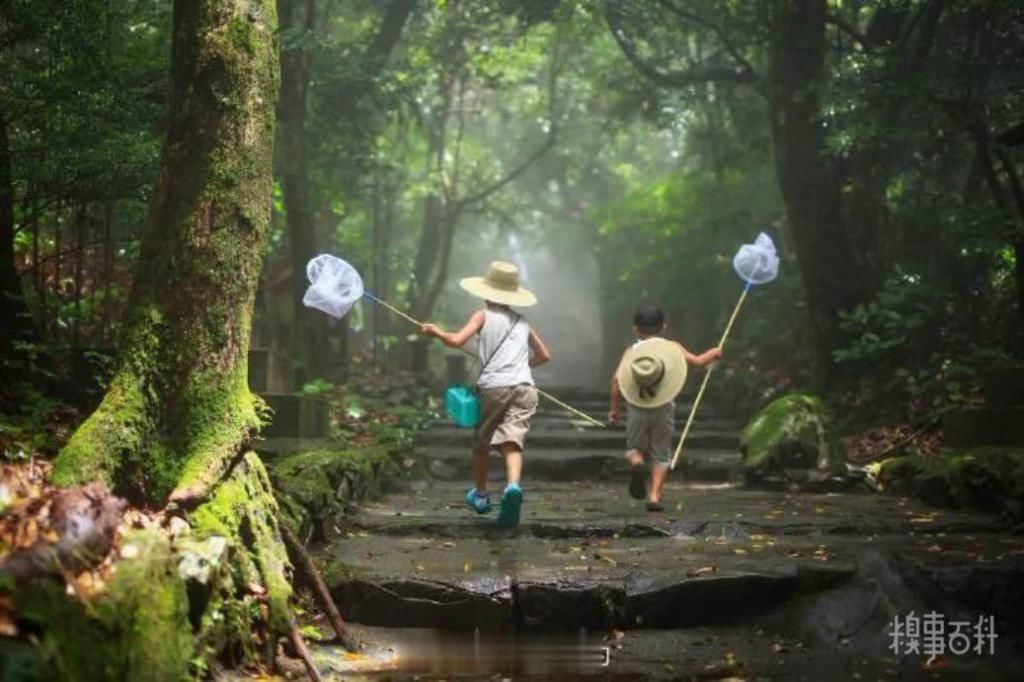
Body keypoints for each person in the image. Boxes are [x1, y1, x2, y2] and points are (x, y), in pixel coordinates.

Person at [422, 260, 551, 528]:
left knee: (482, 443)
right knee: (512, 441)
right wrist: (519, 367)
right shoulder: (522, 321)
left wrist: (435, 332)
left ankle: (481, 495)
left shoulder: (482, 315)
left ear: (486, 291)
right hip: (525, 388)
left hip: (495, 387)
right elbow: (544, 355)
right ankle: (513, 486)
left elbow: (457, 340)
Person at [608, 304, 721, 511]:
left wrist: (615, 410)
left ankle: (637, 464)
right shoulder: (673, 348)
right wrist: (713, 353)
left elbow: (616, 380)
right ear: (663, 326)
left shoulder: (632, 351)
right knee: (661, 454)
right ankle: (653, 497)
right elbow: (698, 361)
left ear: (636, 328)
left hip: (637, 406)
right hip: (664, 407)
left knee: (634, 449)